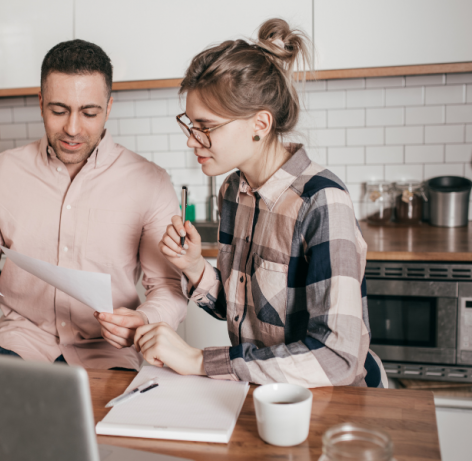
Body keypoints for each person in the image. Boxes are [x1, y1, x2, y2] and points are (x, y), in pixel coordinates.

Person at [0, 40, 187, 371]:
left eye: (89, 112)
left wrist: (142, 319)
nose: (72, 129)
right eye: (59, 110)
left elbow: (168, 287)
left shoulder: (149, 181)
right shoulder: (1, 172)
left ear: (108, 109)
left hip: (108, 351)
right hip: (21, 344)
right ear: (40, 104)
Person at [135, 18, 386, 387]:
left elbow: (338, 358)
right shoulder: (233, 192)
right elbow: (244, 315)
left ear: (260, 123)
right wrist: (193, 268)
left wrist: (198, 360)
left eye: (205, 126)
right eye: (190, 124)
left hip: (333, 404)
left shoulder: (321, 202)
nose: (192, 140)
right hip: (265, 395)